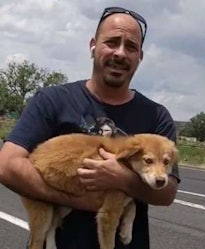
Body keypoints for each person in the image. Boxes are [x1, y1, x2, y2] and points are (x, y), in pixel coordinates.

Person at [0, 6, 180, 249]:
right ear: (93, 45)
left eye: (131, 47)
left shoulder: (157, 117)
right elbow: (8, 165)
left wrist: (121, 179)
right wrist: (78, 199)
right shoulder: (52, 100)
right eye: (112, 42)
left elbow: (166, 193)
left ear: (140, 56)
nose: (120, 53)